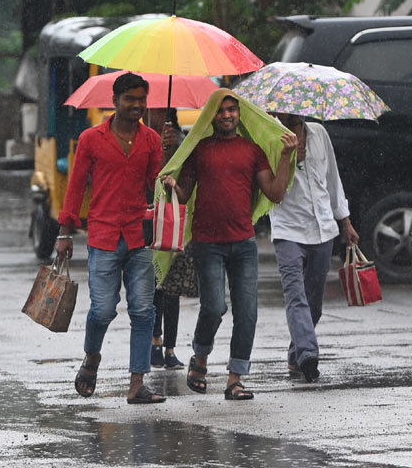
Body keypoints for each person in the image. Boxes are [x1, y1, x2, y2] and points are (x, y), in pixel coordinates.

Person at [161, 90, 298, 401]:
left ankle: (235, 378)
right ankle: (200, 358)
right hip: (207, 243)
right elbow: (183, 195)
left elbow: (276, 193)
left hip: (244, 243)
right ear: (212, 116)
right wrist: (171, 180)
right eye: (221, 110)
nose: (227, 115)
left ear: (240, 114)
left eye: (232, 110)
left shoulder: (253, 151)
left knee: (247, 313)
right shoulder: (200, 150)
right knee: (214, 307)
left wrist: (287, 156)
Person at [56, 72, 166, 404]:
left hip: (139, 235)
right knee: (102, 310)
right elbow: (75, 186)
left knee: (144, 311)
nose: (137, 105)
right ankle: (92, 358)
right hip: (103, 235)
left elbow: (155, 184)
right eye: (130, 99)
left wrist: (169, 157)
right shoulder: (91, 138)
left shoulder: (151, 140)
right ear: (115, 101)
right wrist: (64, 231)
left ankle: (137, 384)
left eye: (141, 99)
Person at [267, 112, 359, 383]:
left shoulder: (319, 132)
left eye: (296, 117)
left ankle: (296, 353)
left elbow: (333, 179)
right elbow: (269, 185)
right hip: (287, 228)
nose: (292, 117)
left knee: (314, 303)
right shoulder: (270, 136)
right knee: (296, 296)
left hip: (323, 228)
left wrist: (346, 222)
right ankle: (308, 355)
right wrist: (290, 157)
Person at [150, 116, 185, 370]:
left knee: (172, 290)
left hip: (175, 224)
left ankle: (170, 347)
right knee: (154, 289)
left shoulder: (184, 148)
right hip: (151, 223)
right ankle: (155, 341)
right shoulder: (148, 142)